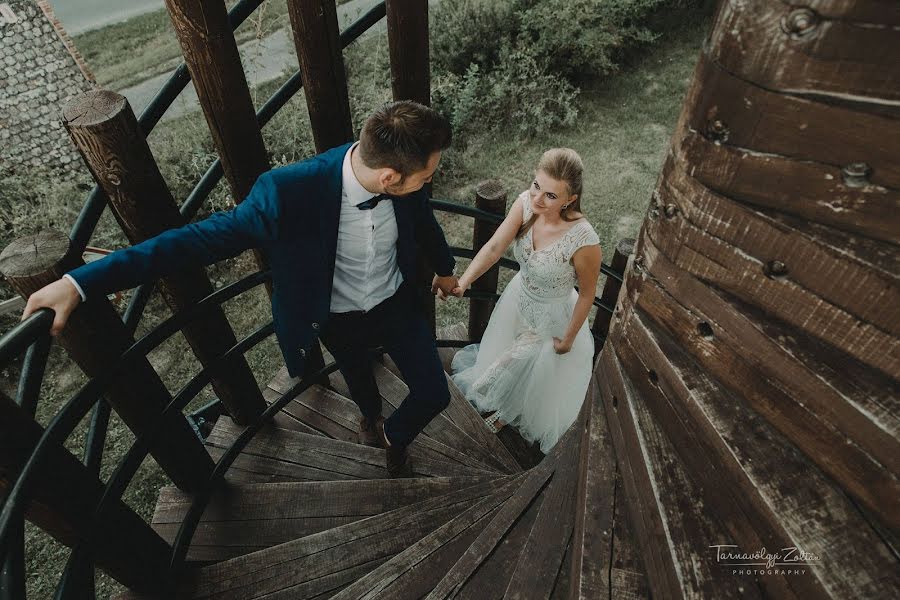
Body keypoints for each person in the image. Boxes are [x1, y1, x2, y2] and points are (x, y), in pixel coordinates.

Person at [21, 100, 460, 478]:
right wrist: (81, 282)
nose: (427, 183)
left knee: (434, 392)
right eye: (424, 178)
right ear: (389, 178)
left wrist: (443, 268)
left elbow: (422, 221)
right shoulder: (287, 193)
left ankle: (394, 437)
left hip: (396, 304)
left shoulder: (406, 182)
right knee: (358, 379)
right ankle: (370, 418)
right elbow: (190, 242)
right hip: (334, 317)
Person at [447, 148, 601, 453]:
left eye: (551, 196)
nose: (537, 199)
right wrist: (464, 281)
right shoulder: (526, 204)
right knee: (506, 358)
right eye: (536, 186)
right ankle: (505, 404)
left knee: (524, 370)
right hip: (519, 300)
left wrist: (568, 338)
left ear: (570, 199)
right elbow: (494, 248)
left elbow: (587, 294)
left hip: (552, 320)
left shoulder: (584, 240)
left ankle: (509, 413)